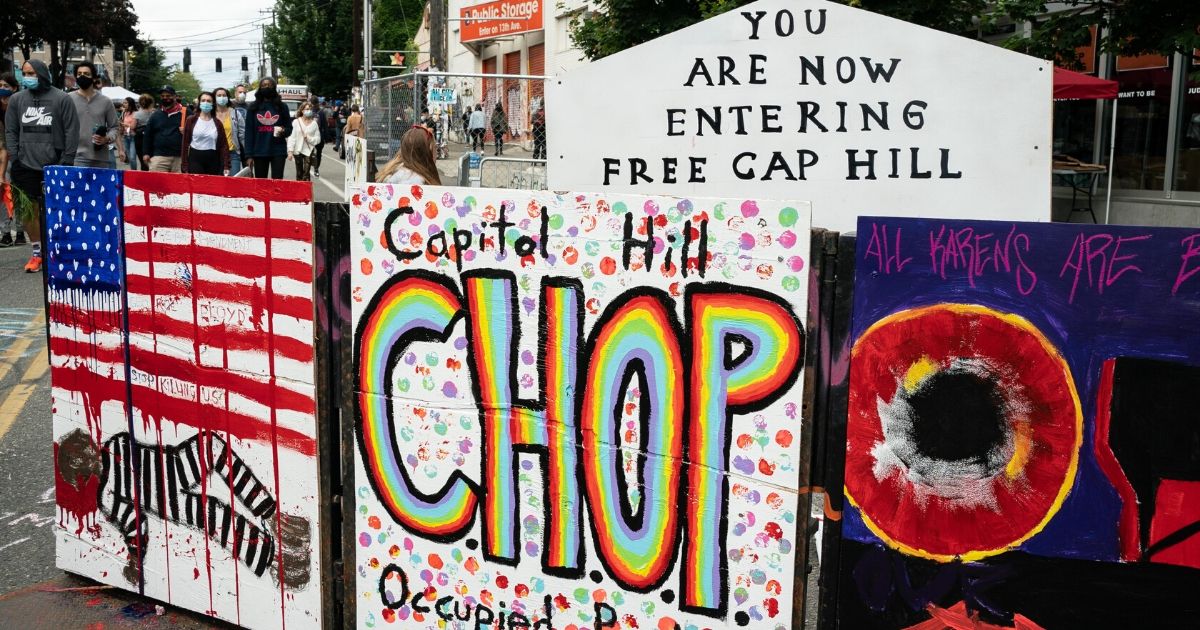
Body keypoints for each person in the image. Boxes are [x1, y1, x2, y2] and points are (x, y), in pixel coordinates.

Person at [4, 59, 79, 272]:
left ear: (42, 74)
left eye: (31, 73)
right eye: (24, 73)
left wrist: (67, 161)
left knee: (58, 211)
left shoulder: (62, 98)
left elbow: (71, 131)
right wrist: (14, 156)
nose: (27, 76)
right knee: (29, 212)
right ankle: (37, 253)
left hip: (55, 164)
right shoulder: (17, 100)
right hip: (24, 165)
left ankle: (59, 251)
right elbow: (10, 130)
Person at [68, 61, 119, 169]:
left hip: (101, 158)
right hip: (75, 157)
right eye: (79, 74)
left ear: (94, 78)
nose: (82, 76)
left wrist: (107, 138)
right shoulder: (68, 99)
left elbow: (114, 127)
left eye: (86, 74)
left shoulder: (106, 101)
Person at [243, 77, 292, 179]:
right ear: (260, 88)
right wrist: (248, 155)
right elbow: (248, 132)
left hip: (278, 151)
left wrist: (284, 131)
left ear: (274, 88)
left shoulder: (282, 107)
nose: (267, 87)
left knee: (277, 182)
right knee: (261, 183)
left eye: (270, 85)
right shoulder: (253, 107)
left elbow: (289, 129)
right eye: (264, 85)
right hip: (259, 151)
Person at [181, 92, 230, 176]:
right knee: (197, 186)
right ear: (199, 103)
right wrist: (184, 164)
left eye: (208, 101)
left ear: (213, 103)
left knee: (212, 187)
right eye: (203, 100)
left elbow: (224, 145)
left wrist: (226, 165)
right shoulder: (191, 120)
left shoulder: (218, 123)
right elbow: (185, 143)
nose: (206, 103)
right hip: (195, 158)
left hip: (213, 159)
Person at [376, 125, 441, 185]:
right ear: (427, 150)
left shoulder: (396, 170)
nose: (437, 152)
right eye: (435, 147)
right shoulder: (416, 182)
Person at [142, 85, 186, 172]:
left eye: (168, 96)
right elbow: (148, 135)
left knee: (178, 185)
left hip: (179, 157)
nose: (165, 98)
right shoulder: (155, 115)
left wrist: (187, 131)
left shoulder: (186, 113)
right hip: (159, 157)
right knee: (157, 184)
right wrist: (146, 153)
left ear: (174, 96)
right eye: (162, 96)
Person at [0, 72, 21, 248]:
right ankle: (5, 232)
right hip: (3, 156)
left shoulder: (20, 106)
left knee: (19, 194)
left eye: (6, 86)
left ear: (14, 88)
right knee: (2, 194)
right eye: (0, 86)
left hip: (19, 157)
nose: (2, 90)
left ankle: (21, 231)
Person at [213, 86, 246, 175]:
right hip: (214, 154)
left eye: (224, 95)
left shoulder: (235, 113)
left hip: (233, 154)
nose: (222, 97)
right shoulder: (210, 114)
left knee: (233, 183)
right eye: (219, 95)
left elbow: (242, 135)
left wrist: (248, 154)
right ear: (214, 98)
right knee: (217, 183)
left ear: (227, 98)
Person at [287, 101, 322, 181]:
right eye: (306, 109)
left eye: (310, 109)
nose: (308, 111)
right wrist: (290, 151)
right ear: (302, 111)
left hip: (308, 151)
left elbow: (318, 139)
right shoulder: (296, 122)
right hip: (297, 150)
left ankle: (306, 190)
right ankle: (299, 190)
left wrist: (309, 138)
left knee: (306, 173)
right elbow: (292, 137)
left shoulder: (314, 124)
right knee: (299, 173)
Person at [132, 93, 155, 171]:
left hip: (140, 138)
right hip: (152, 138)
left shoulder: (137, 114)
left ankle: (144, 175)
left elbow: (133, 126)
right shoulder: (154, 113)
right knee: (152, 159)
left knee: (142, 160)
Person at [308, 97, 327, 178]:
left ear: (312, 103)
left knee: (312, 153)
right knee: (317, 153)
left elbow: (324, 125)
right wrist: (326, 136)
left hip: (313, 136)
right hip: (317, 135)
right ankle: (315, 169)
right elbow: (325, 125)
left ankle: (312, 169)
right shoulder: (320, 112)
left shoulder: (311, 112)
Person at [121, 97, 139, 169]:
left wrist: (124, 124)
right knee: (129, 156)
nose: (123, 104)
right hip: (125, 136)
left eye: (125, 103)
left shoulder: (135, 113)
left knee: (132, 157)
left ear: (130, 104)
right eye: (123, 102)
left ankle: (134, 172)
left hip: (133, 137)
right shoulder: (124, 113)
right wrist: (121, 127)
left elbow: (133, 126)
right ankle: (132, 171)